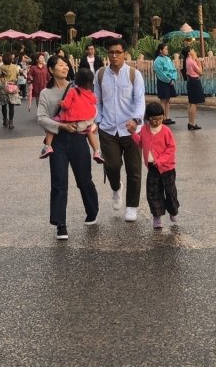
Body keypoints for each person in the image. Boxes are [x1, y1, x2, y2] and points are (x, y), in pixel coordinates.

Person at [37, 54, 100, 240]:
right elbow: (41, 118)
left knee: (84, 179)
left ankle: (92, 210)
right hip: (58, 140)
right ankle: (60, 224)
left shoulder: (77, 87)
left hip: (78, 138)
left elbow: (90, 107)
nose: (65, 67)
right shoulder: (46, 94)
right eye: (60, 65)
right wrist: (62, 126)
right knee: (59, 182)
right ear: (51, 69)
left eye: (66, 65)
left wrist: (90, 124)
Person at [94, 39, 146, 221]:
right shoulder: (100, 75)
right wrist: (98, 121)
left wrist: (136, 120)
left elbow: (140, 101)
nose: (114, 56)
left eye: (118, 52)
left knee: (134, 169)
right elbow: (96, 101)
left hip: (131, 129)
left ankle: (131, 206)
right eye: (111, 52)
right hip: (108, 129)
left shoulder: (134, 74)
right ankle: (116, 187)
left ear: (125, 54)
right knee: (112, 165)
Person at [39, 68, 103, 163]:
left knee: (53, 123)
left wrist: (62, 103)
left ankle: (47, 146)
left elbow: (66, 105)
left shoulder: (73, 91)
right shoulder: (91, 93)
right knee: (89, 132)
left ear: (76, 80)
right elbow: (95, 102)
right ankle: (97, 151)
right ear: (90, 83)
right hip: (85, 121)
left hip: (71, 119)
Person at [133, 102, 179, 229]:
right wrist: (133, 135)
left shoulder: (166, 131)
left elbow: (171, 148)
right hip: (152, 167)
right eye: (154, 119)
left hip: (167, 167)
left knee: (170, 191)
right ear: (147, 118)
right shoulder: (144, 130)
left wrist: (160, 160)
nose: (157, 121)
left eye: (160, 118)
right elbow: (141, 143)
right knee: (153, 192)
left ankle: (173, 210)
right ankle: (157, 216)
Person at [153, 42, 178, 125]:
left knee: (168, 100)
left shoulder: (168, 59)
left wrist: (173, 78)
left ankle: (167, 117)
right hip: (163, 81)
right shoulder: (157, 60)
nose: (167, 50)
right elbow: (160, 73)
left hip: (170, 81)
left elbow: (174, 69)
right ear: (161, 50)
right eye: (165, 49)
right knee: (163, 100)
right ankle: (162, 118)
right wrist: (168, 80)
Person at [0, 52, 22, 128]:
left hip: (3, 88)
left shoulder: (1, 67)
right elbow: (17, 76)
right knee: (11, 106)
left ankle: (5, 120)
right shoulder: (14, 67)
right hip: (12, 88)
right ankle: (11, 122)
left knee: (3, 105)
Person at [183, 46, 205, 130]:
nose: (193, 50)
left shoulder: (186, 60)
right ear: (189, 53)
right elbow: (200, 72)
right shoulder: (191, 62)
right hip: (194, 81)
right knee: (194, 103)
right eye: (192, 50)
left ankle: (190, 122)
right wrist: (198, 62)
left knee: (191, 102)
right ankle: (192, 122)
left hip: (190, 81)